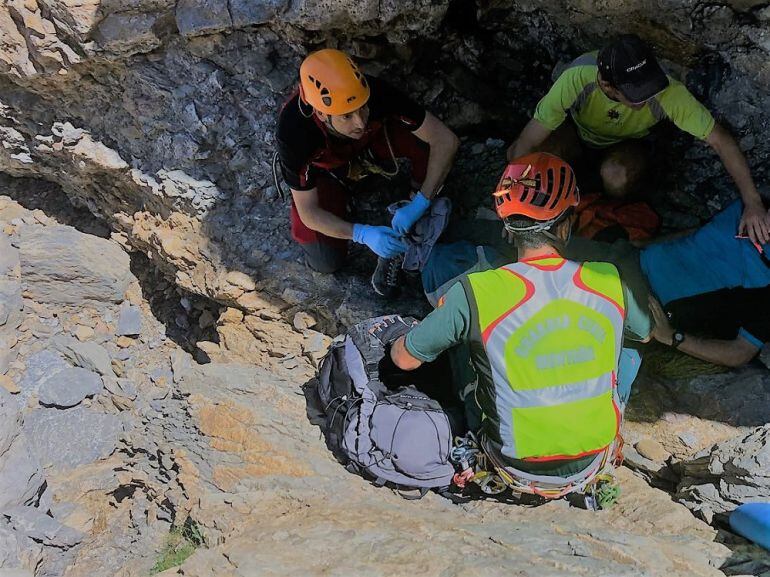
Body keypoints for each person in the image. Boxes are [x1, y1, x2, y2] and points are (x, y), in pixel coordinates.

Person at [388, 153, 651, 500]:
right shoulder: (607, 279)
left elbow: (404, 359)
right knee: (628, 347)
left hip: (512, 464)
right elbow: (645, 331)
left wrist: (430, 325)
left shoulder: (476, 294)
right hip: (593, 459)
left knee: (474, 340)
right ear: (564, 225)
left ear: (507, 227)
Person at [508, 34, 770, 246]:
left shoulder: (667, 91)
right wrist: (517, 212)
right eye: (636, 93)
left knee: (616, 174)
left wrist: (753, 203)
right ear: (606, 84)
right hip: (576, 135)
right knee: (537, 153)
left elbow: (721, 141)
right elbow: (528, 141)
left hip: (626, 147)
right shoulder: (578, 77)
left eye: (648, 88)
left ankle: (606, 206)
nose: (646, 98)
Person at [276, 48, 459, 295]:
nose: (360, 121)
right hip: (326, 173)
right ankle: (345, 195)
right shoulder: (294, 132)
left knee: (422, 144)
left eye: (363, 109)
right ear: (321, 113)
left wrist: (421, 201)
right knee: (325, 260)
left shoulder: (374, 93)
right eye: (346, 116)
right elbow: (309, 212)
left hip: (368, 146)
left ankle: (415, 212)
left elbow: (445, 140)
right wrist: (360, 233)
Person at [564, 198, 770, 368]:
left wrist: (673, 337)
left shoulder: (765, 291)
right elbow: (699, 233)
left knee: (563, 305)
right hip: (630, 257)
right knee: (545, 247)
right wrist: (646, 244)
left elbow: (740, 353)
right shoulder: (750, 208)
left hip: (645, 300)